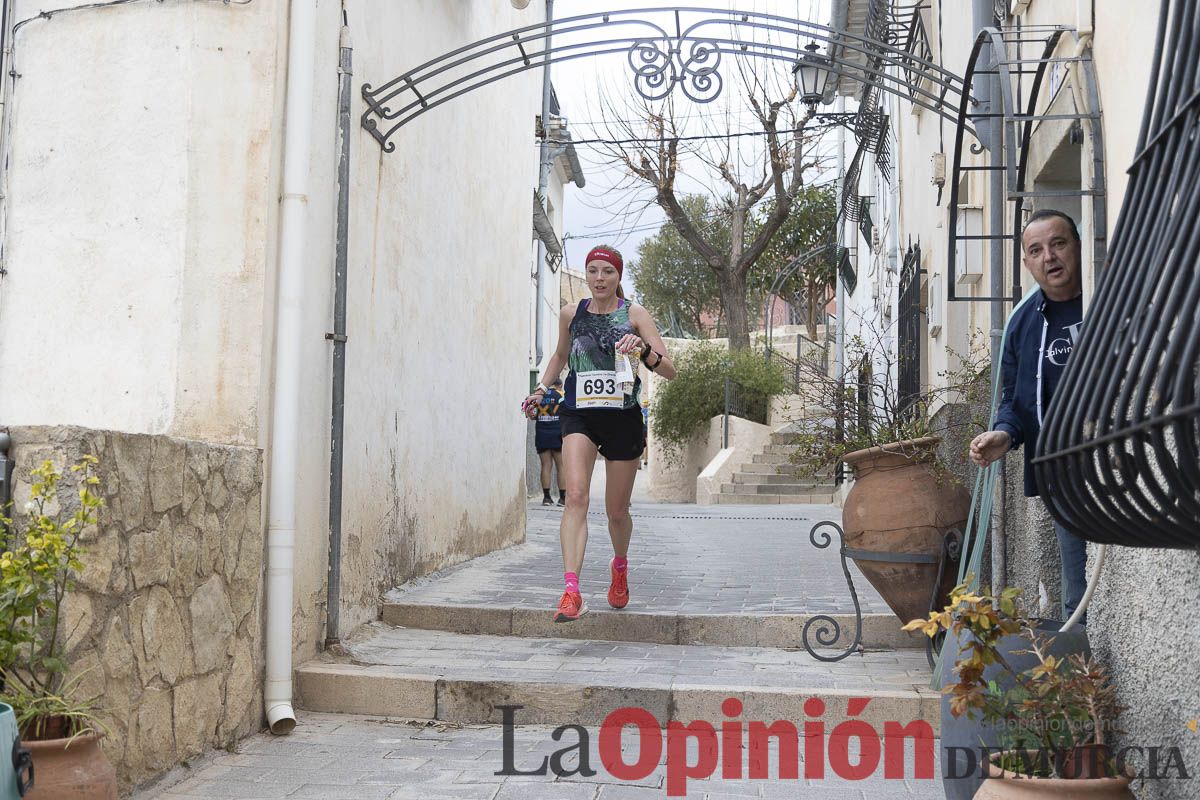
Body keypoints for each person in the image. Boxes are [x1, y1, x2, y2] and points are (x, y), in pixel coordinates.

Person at [521, 245, 676, 622]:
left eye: (607, 271)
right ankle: (571, 590)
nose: (599, 278)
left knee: (617, 512)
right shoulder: (570, 314)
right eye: (592, 270)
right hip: (579, 415)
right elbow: (559, 356)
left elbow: (669, 368)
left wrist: (642, 351)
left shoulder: (635, 314)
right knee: (575, 496)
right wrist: (543, 388)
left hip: (623, 417)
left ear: (618, 276)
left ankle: (619, 566)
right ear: (586, 275)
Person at [968, 209, 1087, 622]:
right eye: (1036, 250)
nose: (1049, 257)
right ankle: (1082, 675)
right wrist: (1003, 435)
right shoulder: (1022, 323)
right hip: (1062, 471)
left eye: (1058, 244)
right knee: (1078, 588)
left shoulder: (1108, 299)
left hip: (1117, 460)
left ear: (1077, 244)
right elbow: (1014, 401)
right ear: (1027, 262)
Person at [534, 379, 566, 506]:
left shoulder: (538, 396)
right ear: (559, 385)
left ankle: (546, 497)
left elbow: (532, 415)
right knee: (561, 466)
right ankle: (563, 498)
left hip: (542, 433)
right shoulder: (561, 396)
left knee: (546, 466)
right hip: (558, 434)